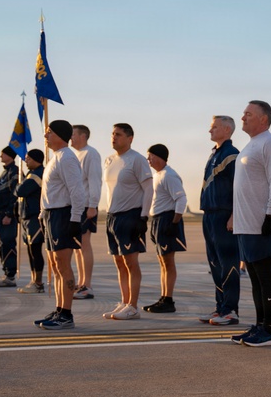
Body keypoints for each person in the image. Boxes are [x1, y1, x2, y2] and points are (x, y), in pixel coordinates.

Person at [231, 100, 271, 348]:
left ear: (263, 119)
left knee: (265, 277)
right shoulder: (250, 145)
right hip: (246, 225)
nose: (243, 118)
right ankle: (259, 325)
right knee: (254, 278)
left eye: (248, 114)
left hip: (262, 224)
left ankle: (269, 329)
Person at [34, 120, 86, 330]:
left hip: (63, 216)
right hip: (50, 215)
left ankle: (66, 314)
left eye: (49, 133)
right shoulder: (55, 158)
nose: (46, 136)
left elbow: (78, 192)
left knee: (63, 265)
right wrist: (41, 214)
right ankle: (59, 309)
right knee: (55, 265)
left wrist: (75, 219)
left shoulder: (67, 158)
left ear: (60, 135)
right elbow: (49, 192)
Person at [102, 123, 153, 321]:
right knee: (119, 262)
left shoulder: (137, 160)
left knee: (131, 262)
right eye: (112, 134)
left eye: (119, 134)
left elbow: (149, 189)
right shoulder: (109, 160)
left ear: (130, 138)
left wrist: (144, 215)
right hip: (112, 216)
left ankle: (133, 305)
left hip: (130, 215)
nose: (114, 137)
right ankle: (124, 302)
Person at [199, 115, 241, 325]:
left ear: (226, 129)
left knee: (228, 264)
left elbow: (238, 188)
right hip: (209, 215)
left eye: (214, 127)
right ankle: (220, 307)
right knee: (215, 264)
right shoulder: (215, 154)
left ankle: (230, 309)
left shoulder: (232, 155)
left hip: (224, 215)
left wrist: (234, 214)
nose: (210, 131)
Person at [144, 144, 187, 314]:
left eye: (150, 156)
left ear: (159, 157)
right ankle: (163, 297)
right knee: (162, 262)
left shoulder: (169, 175)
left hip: (167, 219)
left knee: (168, 262)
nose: (148, 160)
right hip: (158, 220)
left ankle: (168, 300)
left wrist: (174, 223)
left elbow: (181, 199)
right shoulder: (157, 175)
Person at [70, 125, 101, 300]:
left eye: (73, 135)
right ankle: (80, 282)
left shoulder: (91, 154)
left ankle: (87, 285)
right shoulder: (75, 155)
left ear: (83, 136)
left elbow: (95, 180)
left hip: (86, 205)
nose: (70, 138)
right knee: (77, 247)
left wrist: (93, 205)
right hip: (75, 206)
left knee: (84, 244)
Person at [14, 150, 46, 293]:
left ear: (36, 159)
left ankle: (38, 282)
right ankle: (33, 279)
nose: (26, 161)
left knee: (35, 250)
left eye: (28, 159)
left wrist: (18, 185)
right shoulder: (30, 174)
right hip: (26, 216)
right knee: (30, 250)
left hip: (34, 217)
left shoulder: (37, 174)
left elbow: (20, 191)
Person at [0, 146, 19, 287]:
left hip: (7, 214)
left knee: (7, 244)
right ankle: (6, 272)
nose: (0, 156)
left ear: (10, 155)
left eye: (3, 154)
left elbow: (15, 195)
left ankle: (10, 275)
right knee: (0, 245)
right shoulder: (6, 171)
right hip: (0, 213)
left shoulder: (15, 172)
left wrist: (9, 214)